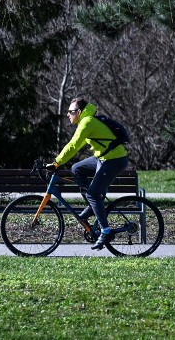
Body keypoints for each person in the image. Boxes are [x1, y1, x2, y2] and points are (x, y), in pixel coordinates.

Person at [47, 98, 129, 250]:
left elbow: (73, 145)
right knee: (77, 169)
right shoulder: (86, 121)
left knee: (92, 194)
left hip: (114, 159)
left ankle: (105, 230)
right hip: (103, 157)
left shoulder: (87, 122)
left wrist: (57, 162)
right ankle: (93, 206)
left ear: (79, 112)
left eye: (70, 112)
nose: (67, 115)